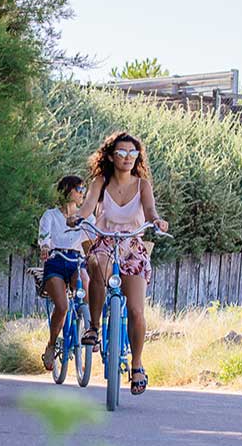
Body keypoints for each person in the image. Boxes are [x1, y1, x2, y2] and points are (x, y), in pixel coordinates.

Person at [71, 131, 169, 395]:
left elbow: (150, 211)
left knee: (137, 310)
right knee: (96, 264)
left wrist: (157, 221)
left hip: (133, 247)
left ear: (137, 157)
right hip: (106, 240)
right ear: (111, 156)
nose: (128, 158)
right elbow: (88, 207)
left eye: (133, 153)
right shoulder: (100, 182)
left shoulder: (142, 185)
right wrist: (78, 217)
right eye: (122, 153)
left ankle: (137, 365)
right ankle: (94, 327)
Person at [38, 175, 94, 371]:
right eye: (79, 189)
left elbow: (91, 244)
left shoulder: (87, 217)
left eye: (84, 190)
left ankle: (91, 330)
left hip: (77, 261)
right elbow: (44, 238)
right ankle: (52, 344)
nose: (83, 194)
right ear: (68, 191)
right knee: (62, 306)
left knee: (87, 287)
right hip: (55, 261)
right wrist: (45, 247)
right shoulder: (50, 215)